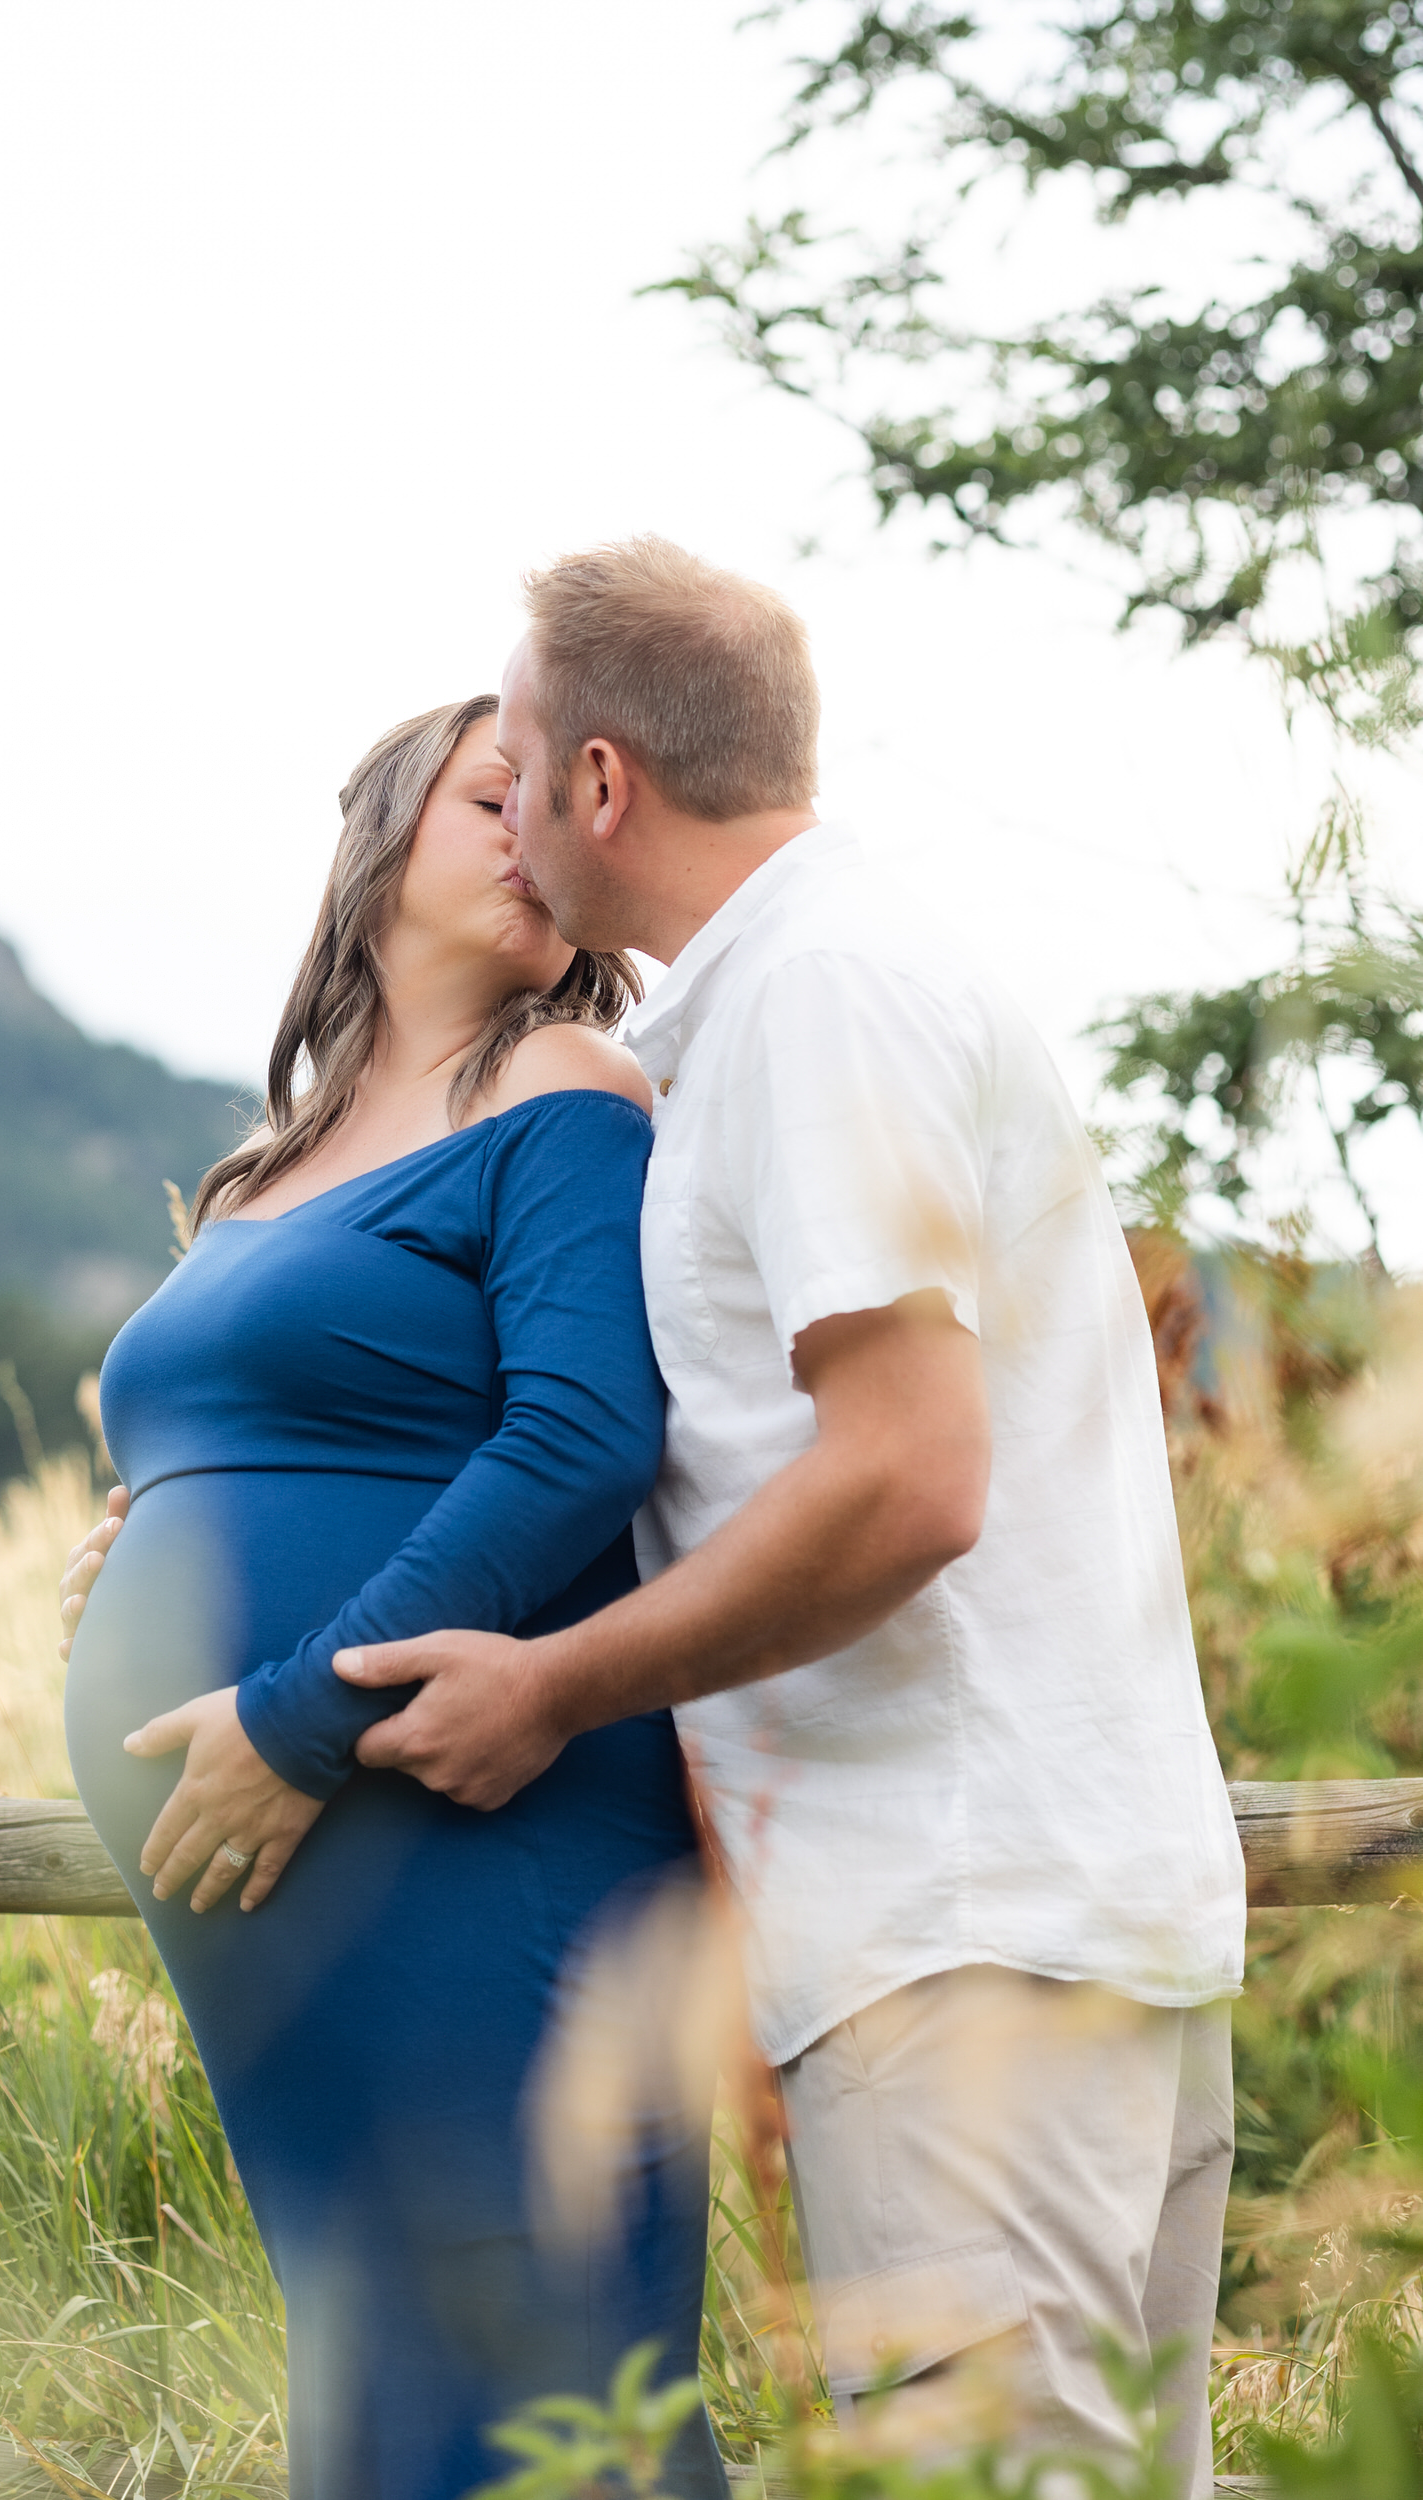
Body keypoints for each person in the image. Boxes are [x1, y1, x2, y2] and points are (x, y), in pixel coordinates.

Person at [304, 542, 1250, 2495]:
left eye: (522, 766)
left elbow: (907, 1475)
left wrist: (552, 1685)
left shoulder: (825, 992)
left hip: (971, 1948)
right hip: (1009, 1924)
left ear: (602, 785)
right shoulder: (767, 1009)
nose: (506, 819)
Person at [59, 693, 727, 2500]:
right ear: (380, 836)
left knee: (543, 2346)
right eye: (490, 793)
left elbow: (586, 1434)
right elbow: (282, 1433)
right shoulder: (270, 1164)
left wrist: (293, 1711)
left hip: (445, 1801)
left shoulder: (562, 1091)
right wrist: (164, 1543)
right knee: (379, 2349)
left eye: (560, 805)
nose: (535, 831)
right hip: (287, 1876)